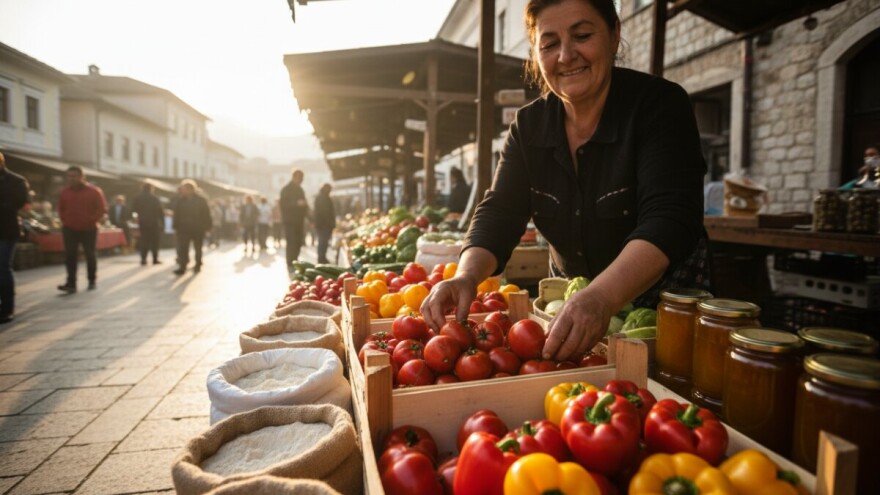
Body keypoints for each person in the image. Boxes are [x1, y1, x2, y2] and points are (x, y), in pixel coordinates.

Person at [421, 0, 709, 362]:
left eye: (583, 35)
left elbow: (669, 217)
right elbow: (499, 211)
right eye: (549, 43)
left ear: (614, 34)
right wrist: (465, 276)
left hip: (664, 315)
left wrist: (602, 297)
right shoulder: (528, 127)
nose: (566, 55)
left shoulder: (660, 105)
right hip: (573, 309)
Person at [57, 166, 108, 293]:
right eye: (69, 176)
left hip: (89, 229)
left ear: (82, 177)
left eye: (74, 176)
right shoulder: (65, 192)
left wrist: (92, 220)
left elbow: (102, 209)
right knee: (70, 255)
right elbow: (60, 208)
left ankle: (92, 280)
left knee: (90, 254)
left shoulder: (94, 191)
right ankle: (71, 283)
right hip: (69, 228)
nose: (71, 179)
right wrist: (66, 220)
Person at [0, 152, 31, 323]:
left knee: (3, 268)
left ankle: (6, 308)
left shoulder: (16, 181)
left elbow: (20, 202)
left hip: (6, 230)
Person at [172, 179, 212, 275]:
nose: (183, 191)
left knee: (198, 247)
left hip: (197, 228)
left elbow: (206, 214)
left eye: (185, 189)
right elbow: (177, 214)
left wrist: (208, 226)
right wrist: (176, 226)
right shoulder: (180, 201)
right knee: (183, 248)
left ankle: (198, 264)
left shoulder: (201, 200)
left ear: (191, 189)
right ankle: (183, 266)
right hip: (183, 228)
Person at [279, 169, 308, 268]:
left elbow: (305, 205)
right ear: (295, 177)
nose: (301, 180)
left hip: (299, 220)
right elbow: (283, 204)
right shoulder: (286, 189)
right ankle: (290, 262)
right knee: (291, 241)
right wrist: (296, 203)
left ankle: (295, 259)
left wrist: (310, 218)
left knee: (299, 241)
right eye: (300, 177)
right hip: (289, 221)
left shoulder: (300, 190)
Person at [131, 183, 164, 265]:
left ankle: (143, 259)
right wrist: (162, 222)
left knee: (144, 241)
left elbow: (133, 210)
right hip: (154, 223)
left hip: (142, 222)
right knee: (154, 242)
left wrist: (136, 219)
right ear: (151, 189)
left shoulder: (138, 198)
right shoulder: (155, 198)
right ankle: (155, 259)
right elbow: (160, 212)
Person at [313, 183, 336, 264]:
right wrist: (330, 223)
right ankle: (321, 258)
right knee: (323, 241)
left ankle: (322, 257)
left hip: (323, 224)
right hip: (323, 224)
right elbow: (325, 212)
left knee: (323, 241)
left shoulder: (322, 197)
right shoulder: (322, 198)